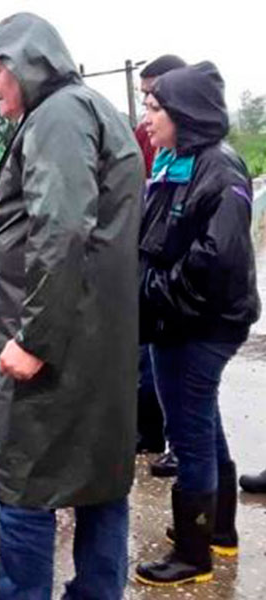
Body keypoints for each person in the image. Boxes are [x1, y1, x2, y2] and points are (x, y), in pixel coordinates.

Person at [0, 13, 143, 600]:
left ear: (29, 63)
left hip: (56, 353)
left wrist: (33, 339)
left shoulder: (58, 116)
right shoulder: (92, 110)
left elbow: (63, 227)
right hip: (96, 343)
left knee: (25, 485)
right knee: (99, 482)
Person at [135, 61, 260, 586]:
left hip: (197, 325)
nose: (146, 117)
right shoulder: (178, 160)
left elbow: (217, 259)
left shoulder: (220, 169)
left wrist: (152, 293)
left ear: (182, 114)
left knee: (189, 434)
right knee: (203, 423)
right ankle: (217, 530)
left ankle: (193, 555)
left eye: (155, 107)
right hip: (177, 322)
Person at [133, 55, 188, 477]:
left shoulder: (206, 161)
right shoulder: (149, 142)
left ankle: (211, 530)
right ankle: (154, 434)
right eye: (144, 99)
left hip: (179, 290)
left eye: (153, 99)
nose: (147, 110)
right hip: (152, 276)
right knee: (148, 363)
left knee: (188, 388)